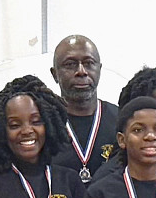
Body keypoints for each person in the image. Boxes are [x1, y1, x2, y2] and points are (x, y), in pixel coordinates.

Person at [49, 35, 119, 183]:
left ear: (99, 69)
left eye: (89, 63)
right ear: (55, 74)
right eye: (70, 64)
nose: (81, 71)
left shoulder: (122, 120)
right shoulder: (42, 123)